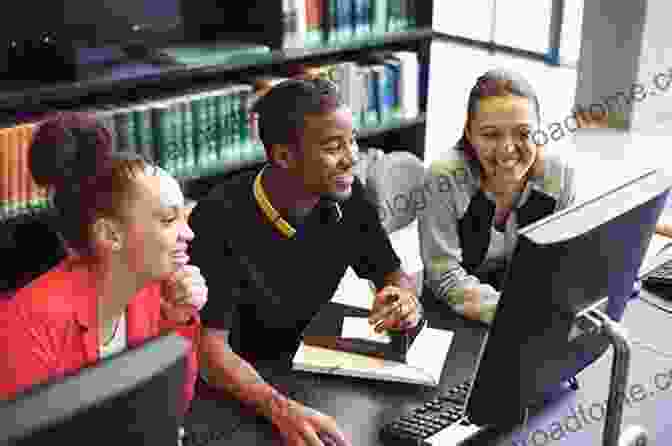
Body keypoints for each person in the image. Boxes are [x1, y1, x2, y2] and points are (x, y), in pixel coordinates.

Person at [188, 78, 423, 446]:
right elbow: (209, 350)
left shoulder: (349, 196)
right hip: (232, 391)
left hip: (303, 368)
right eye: (334, 147)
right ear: (284, 156)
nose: (352, 157)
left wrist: (402, 298)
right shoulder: (219, 218)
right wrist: (280, 408)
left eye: (352, 141)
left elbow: (391, 272)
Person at [0, 113, 208, 419]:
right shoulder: (27, 327)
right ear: (110, 235)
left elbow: (170, 411)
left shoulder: (151, 293)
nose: (188, 233)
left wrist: (177, 321)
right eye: (168, 220)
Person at [419, 68, 608, 324]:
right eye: (490, 134)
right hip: (451, 314)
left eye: (523, 133)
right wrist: (514, 314)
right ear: (469, 132)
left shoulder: (558, 175)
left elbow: (567, 258)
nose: (507, 150)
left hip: (526, 308)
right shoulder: (443, 178)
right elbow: (444, 275)